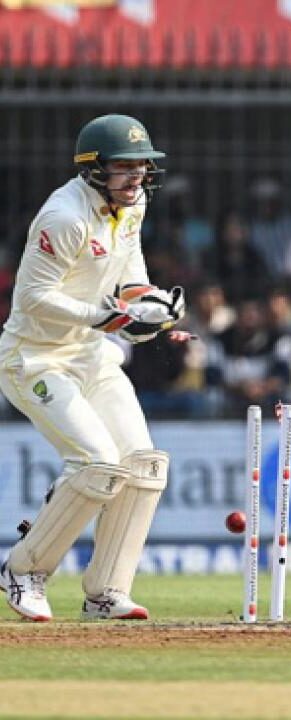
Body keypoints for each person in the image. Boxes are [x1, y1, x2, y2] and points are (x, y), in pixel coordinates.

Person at [0, 114, 187, 621]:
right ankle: (24, 570)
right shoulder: (65, 217)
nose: (136, 179)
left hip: (91, 355)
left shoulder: (134, 205)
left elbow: (130, 273)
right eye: (124, 168)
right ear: (94, 169)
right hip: (35, 357)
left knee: (145, 466)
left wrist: (150, 307)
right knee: (96, 463)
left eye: (142, 167)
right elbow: (33, 297)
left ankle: (105, 592)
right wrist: (102, 316)